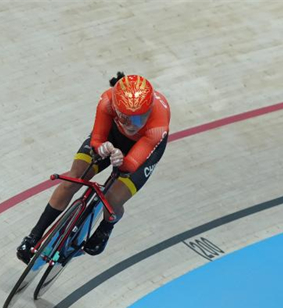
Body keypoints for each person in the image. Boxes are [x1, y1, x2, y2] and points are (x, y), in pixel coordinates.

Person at [17, 72, 170, 263]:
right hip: (112, 136)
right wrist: (102, 147)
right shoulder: (107, 101)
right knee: (73, 180)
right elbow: (97, 139)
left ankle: (106, 227)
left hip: (143, 149)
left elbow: (130, 165)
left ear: (150, 109)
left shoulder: (158, 125)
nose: (133, 125)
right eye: (127, 118)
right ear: (116, 109)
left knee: (112, 199)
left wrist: (121, 160)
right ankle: (33, 236)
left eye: (141, 118)